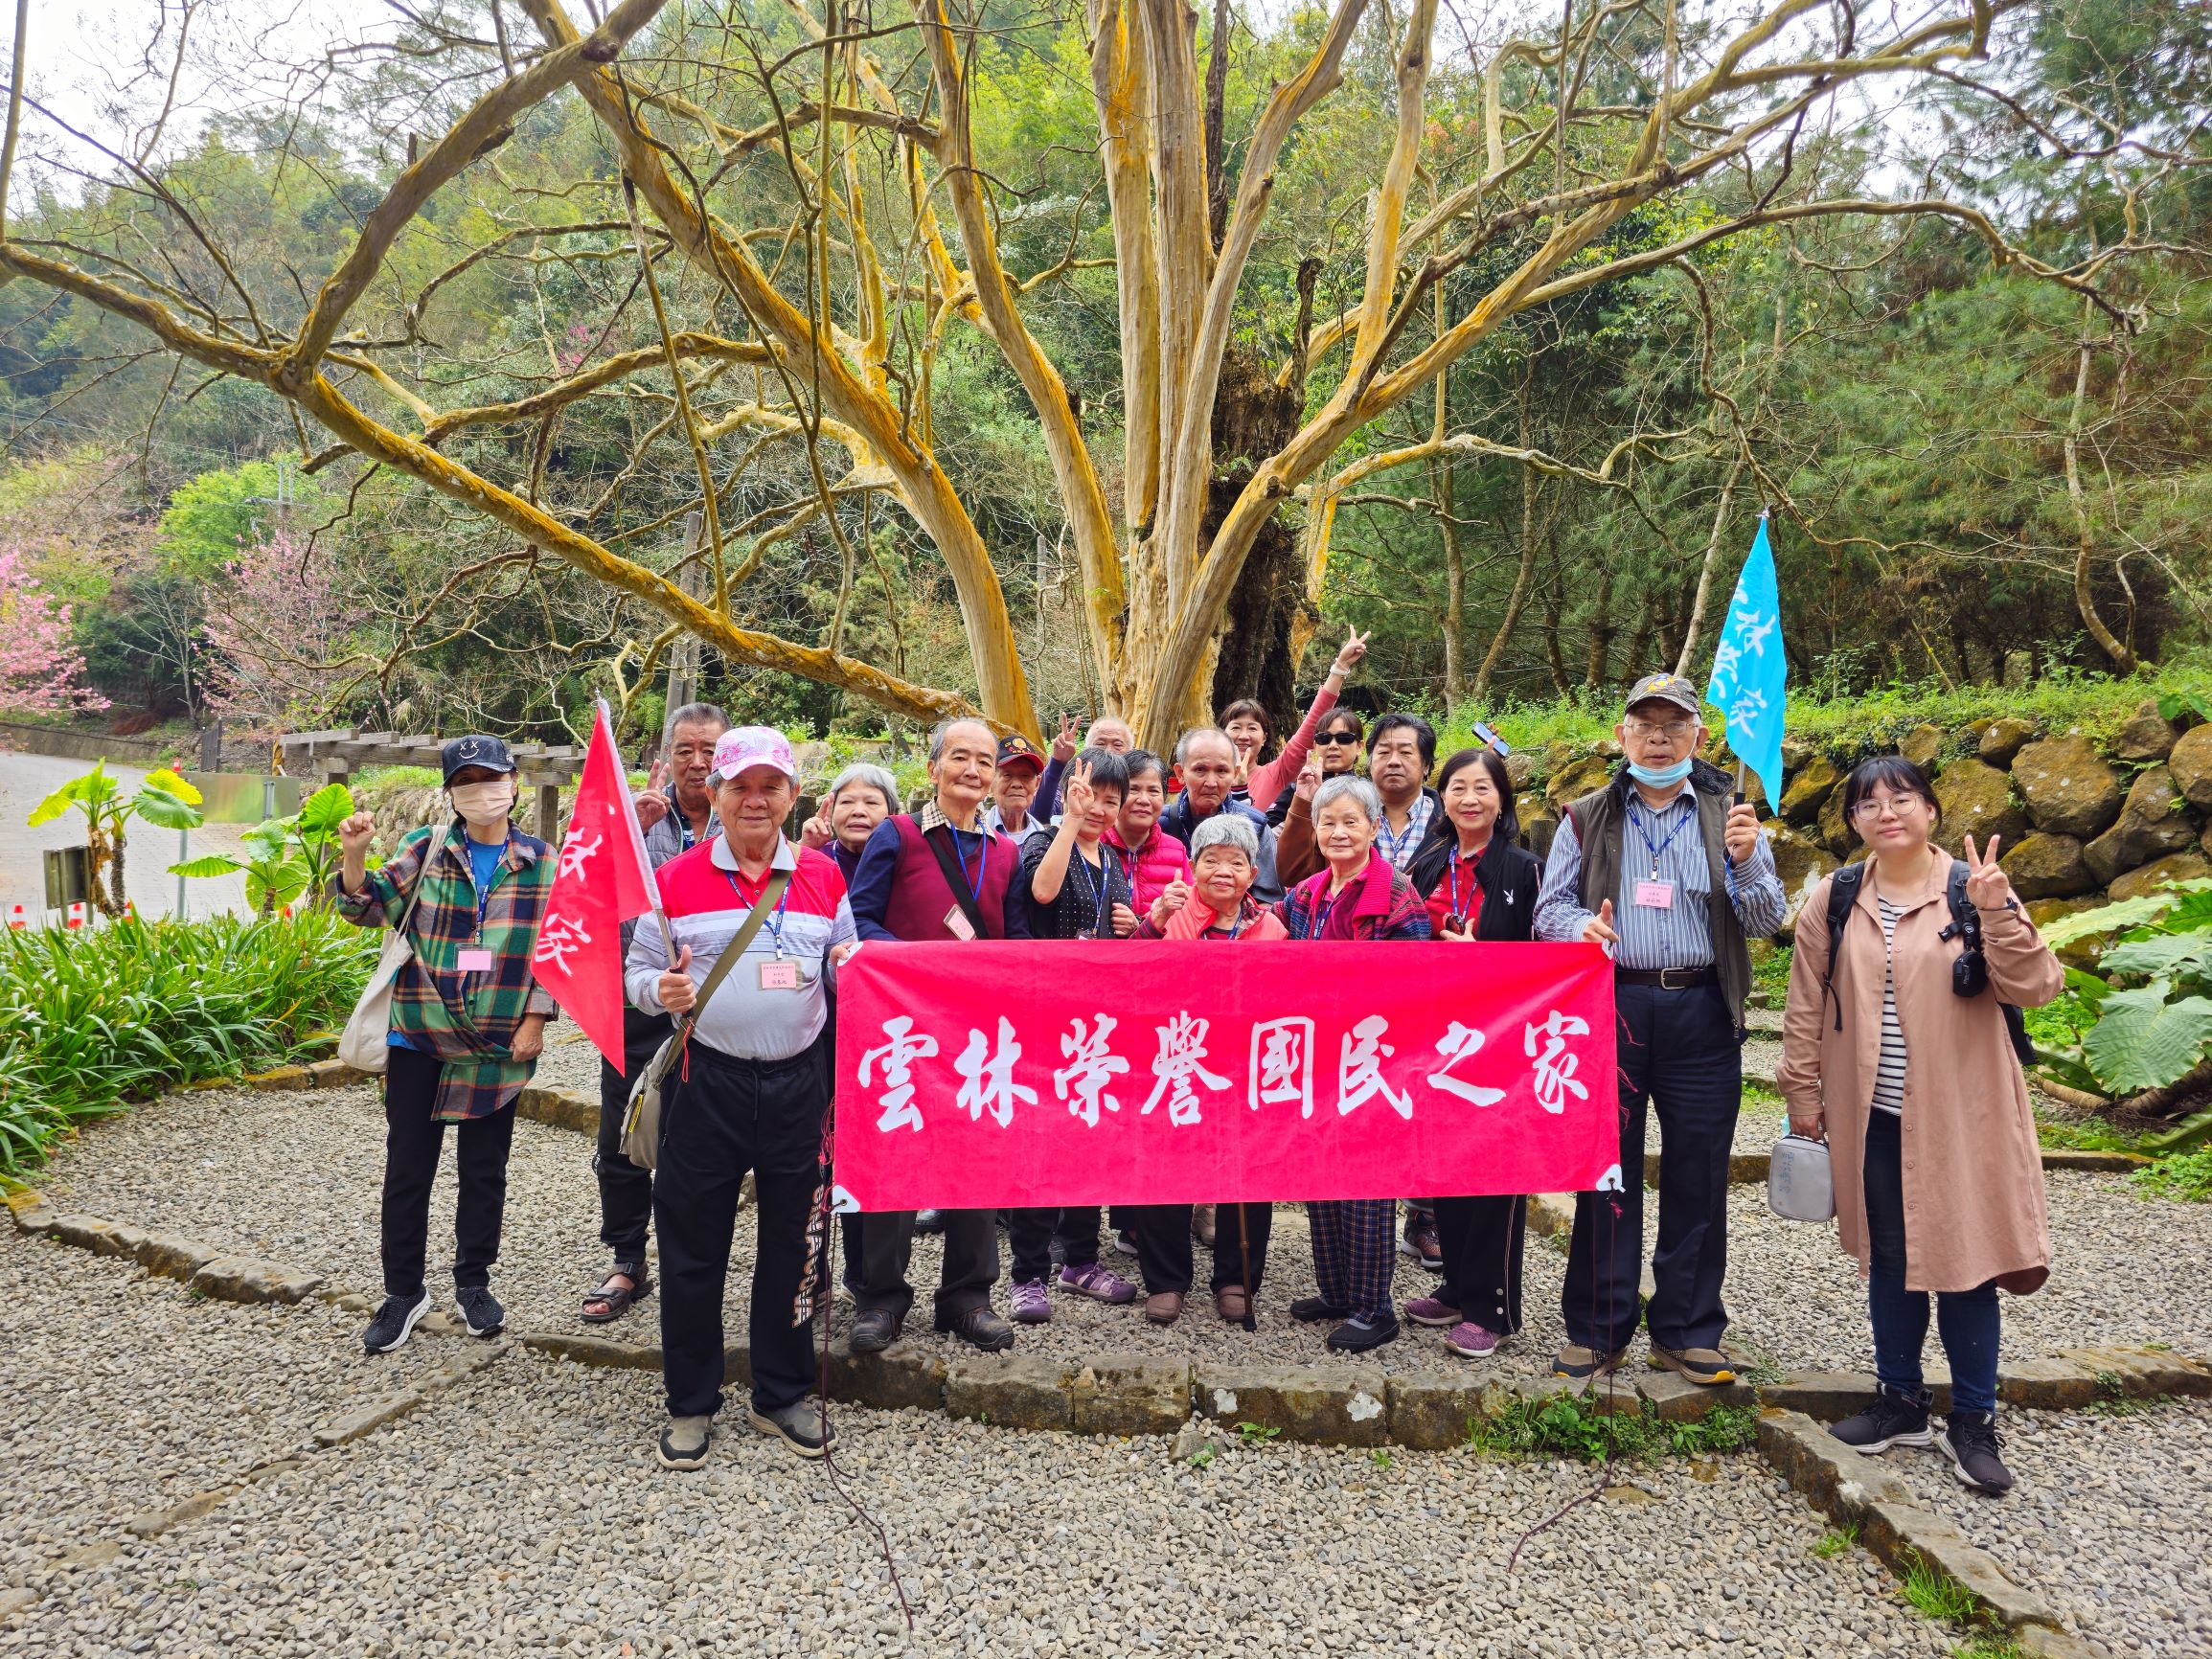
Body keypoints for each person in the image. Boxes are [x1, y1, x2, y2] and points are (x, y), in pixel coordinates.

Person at [1778, 758, 2061, 1496]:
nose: (1886, 812)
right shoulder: (1834, 898)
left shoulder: (1973, 890)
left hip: (1964, 1115)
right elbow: (1804, 1005)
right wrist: (1801, 1096)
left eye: (1901, 797)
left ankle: (1972, 1419)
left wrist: (1998, 910)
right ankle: (1899, 1400)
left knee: (1967, 1259)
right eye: (1867, 804)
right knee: (1890, 1258)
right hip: (1869, 1111)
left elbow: (2035, 986)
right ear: (1851, 822)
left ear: (1931, 810)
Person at [1534, 672, 1786, 1385]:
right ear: (1620, 736)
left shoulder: (1729, 813)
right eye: (1642, 723)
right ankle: (1597, 1326)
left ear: (1697, 737)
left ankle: (1687, 1328)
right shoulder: (1585, 815)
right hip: (1613, 1005)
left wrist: (1745, 861)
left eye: (1672, 725)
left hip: (1703, 1009)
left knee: (1697, 1174)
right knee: (1605, 1170)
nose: (1657, 736)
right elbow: (1547, 911)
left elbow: (1766, 920)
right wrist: (1579, 924)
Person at [622, 727, 857, 1467]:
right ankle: (690, 1402)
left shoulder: (823, 876)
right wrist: (657, 990)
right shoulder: (676, 880)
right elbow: (636, 974)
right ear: (714, 795)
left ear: (793, 795)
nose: (755, 801)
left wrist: (856, 972)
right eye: (739, 787)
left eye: (770, 786)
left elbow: (840, 967)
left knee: (795, 1246)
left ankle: (780, 1392)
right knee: (693, 1250)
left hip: (798, 1085)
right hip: (705, 1079)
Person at [334, 736, 554, 1355]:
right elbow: (365, 906)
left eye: (494, 778)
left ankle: (473, 1282)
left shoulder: (542, 861)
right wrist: (354, 857)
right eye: (468, 781)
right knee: (408, 1170)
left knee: (484, 1173)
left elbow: (554, 948)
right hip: (419, 1036)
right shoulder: (424, 850)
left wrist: (537, 1017)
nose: (483, 790)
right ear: (452, 792)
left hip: (496, 1047)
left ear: (514, 783)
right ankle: (402, 1292)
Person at [845, 716, 1029, 1352]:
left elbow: (1012, 939)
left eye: (984, 760)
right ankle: (882, 1297)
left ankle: (967, 1296)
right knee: (895, 1154)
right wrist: (921, 965)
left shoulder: (1006, 851)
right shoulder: (897, 835)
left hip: (976, 1031)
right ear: (932, 768)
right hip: (901, 1026)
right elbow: (860, 919)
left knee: (974, 1159)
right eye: (959, 757)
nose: (973, 770)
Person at [1274, 775, 1433, 1352]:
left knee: (1366, 1185)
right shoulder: (1306, 894)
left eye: (1351, 822)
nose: (1339, 832)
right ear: (1315, 830)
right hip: (1319, 1057)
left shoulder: (1395, 894)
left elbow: (1417, 982)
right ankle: (1337, 1290)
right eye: (1328, 823)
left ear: (1372, 827)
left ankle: (1374, 1306)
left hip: (1372, 1057)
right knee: (1320, 1177)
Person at [582, 702, 729, 1328]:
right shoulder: (632, 820)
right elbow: (585, 902)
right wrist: (631, 839)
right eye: (685, 750)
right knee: (624, 1134)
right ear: (664, 758)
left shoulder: (748, 815)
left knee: (707, 1142)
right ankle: (627, 1256)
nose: (697, 763)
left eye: (709, 751)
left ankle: (695, 1254)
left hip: (719, 1013)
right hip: (639, 1006)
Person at [1402, 747, 1541, 1359]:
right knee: (1445, 1169)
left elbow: (1547, 957)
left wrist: (1482, 958)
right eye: (1457, 787)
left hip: (1501, 1043)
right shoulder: (1428, 862)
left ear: (1502, 799)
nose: (1469, 799)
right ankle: (1457, 1286)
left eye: (1482, 788)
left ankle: (1494, 1306)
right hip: (1434, 1039)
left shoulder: (1525, 869)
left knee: (1494, 1176)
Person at [1129, 812, 1288, 1323]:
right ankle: (1166, 1279)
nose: (1224, 870)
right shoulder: (1168, 918)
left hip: (1242, 1069)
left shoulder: (1271, 928)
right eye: (1211, 860)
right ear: (1193, 866)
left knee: (1247, 1175)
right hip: (1176, 1061)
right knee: (1166, 1171)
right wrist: (1152, 924)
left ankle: (1237, 1279)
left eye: (1236, 861)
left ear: (1252, 871)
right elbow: (1125, 975)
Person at [1004, 750, 1143, 1321]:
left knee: (1090, 1141)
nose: (1101, 809)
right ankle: (1027, 1274)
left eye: (1113, 800)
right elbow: (1040, 893)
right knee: (1041, 1143)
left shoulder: (1113, 861)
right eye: (1090, 795)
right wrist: (1066, 822)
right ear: (1067, 792)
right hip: (1044, 1017)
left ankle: (1081, 1259)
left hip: (1098, 1024)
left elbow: (1119, 934)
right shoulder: (1042, 843)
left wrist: (1135, 923)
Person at [1363, 712, 1446, 1266]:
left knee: (1425, 1096)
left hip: (1427, 982)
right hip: (1355, 985)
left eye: (1406, 752)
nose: (1393, 761)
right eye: (1384, 750)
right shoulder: (1347, 811)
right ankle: (1360, 1211)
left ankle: (1423, 1216)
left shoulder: (1449, 821)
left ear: (1426, 764)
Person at [1220, 626, 1369, 815]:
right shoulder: (1207, 779)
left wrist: (1339, 668)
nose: (1243, 736)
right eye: (1235, 727)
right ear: (1222, 735)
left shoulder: (1275, 774)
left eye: (1252, 728)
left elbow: (1310, 727)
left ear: (1264, 738)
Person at [1162, 727, 1283, 903]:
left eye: (1221, 771)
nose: (1211, 782)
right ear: (1180, 773)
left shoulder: (1255, 826)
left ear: (1234, 773)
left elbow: (1268, 900)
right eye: (1200, 770)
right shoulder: (1159, 825)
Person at [1105, 749, 1189, 913]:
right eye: (1133, 789)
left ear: (1164, 797)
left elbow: (1188, 914)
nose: (1143, 800)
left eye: (1153, 791)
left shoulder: (1176, 851)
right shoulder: (1095, 844)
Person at [801, 761, 899, 883]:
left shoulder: (904, 862)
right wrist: (804, 851)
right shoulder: (814, 854)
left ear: (892, 813)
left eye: (871, 802)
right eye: (847, 802)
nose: (858, 812)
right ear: (832, 811)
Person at [983, 733, 1048, 838]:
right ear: (992, 780)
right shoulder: (975, 833)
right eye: (1007, 775)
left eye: (1025, 776)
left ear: (1037, 784)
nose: (1017, 784)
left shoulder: (1044, 839)